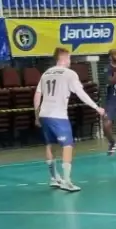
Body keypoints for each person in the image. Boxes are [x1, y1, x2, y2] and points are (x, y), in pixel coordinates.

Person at [34, 47, 105, 192]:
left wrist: (37, 116)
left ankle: (54, 178)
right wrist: (96, 107)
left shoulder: (46, 73)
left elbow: (37, 95)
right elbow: (81, 93)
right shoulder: (69, 74)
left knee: (50, 145)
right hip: (58, 116)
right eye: (70, 58)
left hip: (44, 114)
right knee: (67, 145)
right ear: (64, 58)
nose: (70, 61)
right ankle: (66, 181)